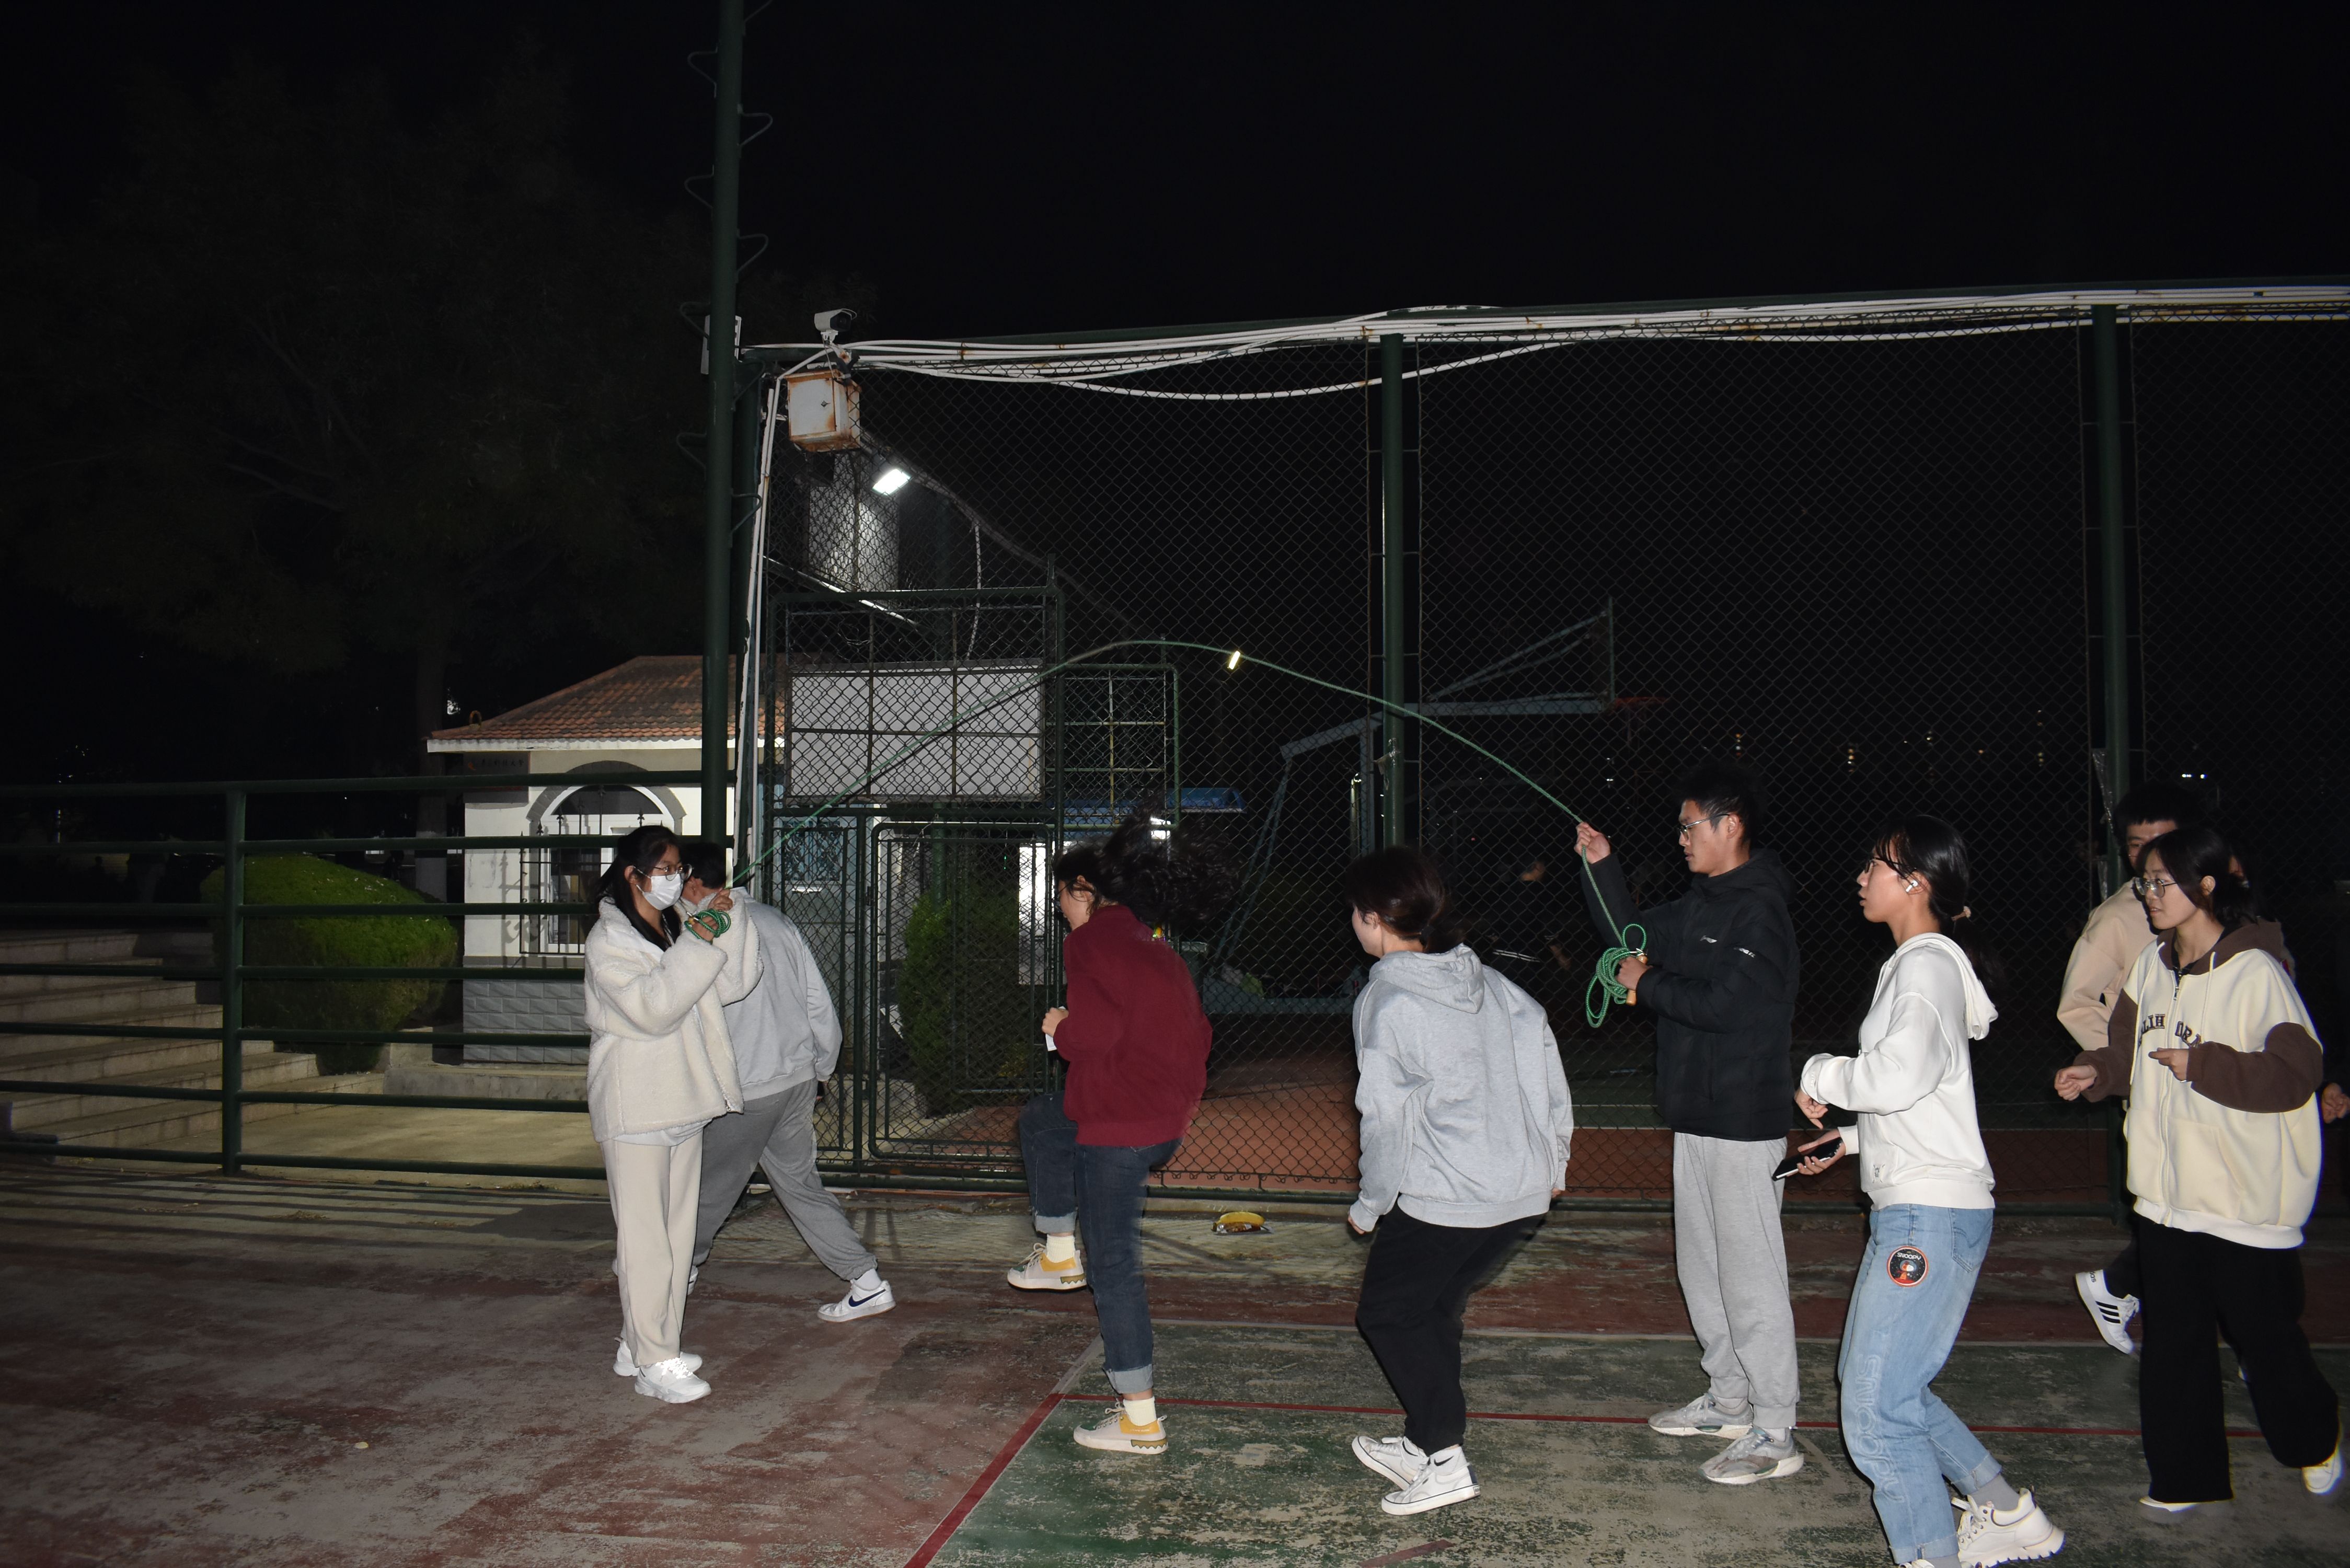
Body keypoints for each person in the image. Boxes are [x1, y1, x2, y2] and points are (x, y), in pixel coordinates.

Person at [1795, 816, 2065, 1568]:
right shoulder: (1924, 966)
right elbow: (1927, 1094)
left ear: (1915, 883)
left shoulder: (1922, 966)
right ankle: (2008, 1514)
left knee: (1875, 1410)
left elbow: (1897, 1076)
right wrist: (1853, 1140)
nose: (1861, 878)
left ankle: (1929, 1555)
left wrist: (1820, 1073)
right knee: (1888, 1388)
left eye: (1875, 867)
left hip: (1926, 1218)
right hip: (1929, 1209)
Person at [2054, 824, 2342, 1514]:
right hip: (2166, 1197)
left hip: (2241, 1199)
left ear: (2206, 885)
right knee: (2174, 1343)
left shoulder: (2255, 974)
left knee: (2265, 1339)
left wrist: (2204, 1065)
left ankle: (2315, 1441)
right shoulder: (2150, 969)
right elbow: (2125, 1052)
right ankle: (2183, 1478)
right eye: (2144, 882)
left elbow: (2296, 1074)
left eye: (2163, 882)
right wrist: (2094, 1073)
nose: (2149, 895)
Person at [1575, 760, 1804, 1485]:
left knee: (1750, 1276)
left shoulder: (1758, 911)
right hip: (1696, 1117)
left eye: (1689, 826)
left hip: (1743, 1120)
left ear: (1729, 825)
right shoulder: (1700, 904)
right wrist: (1602, 866)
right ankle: (1730, 1398)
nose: (1680, 838)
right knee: (1701, 1268)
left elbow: (1726, 1006)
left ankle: (1775, 1427)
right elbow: (1629, 933)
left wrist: (1646, 982)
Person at [1344, 846, 1575, 1518]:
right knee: (1435, 1310)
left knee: (1387, 1314)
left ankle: (1444, 1460)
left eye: (1356, 914)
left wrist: (1370, 1203)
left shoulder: (1386, 998)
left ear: (1373, 919)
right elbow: (1547, 1072)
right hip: (1520, 1194)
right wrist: (1554, 1163)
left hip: (1447, 1198)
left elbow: (1384, 1117)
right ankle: (1424, 1441)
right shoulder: (1492, 981)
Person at [1005, 818, 1234, 1455]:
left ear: (1083, 890)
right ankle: (1056, 1251)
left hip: (1120, 1127)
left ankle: (1139, 1420)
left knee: (1113, 1269)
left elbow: (1094, 1036)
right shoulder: (1152, 945)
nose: (1058, 908)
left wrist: (1060, 1027)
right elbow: (1195, 1035)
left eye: (1061, 895)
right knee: (1043, 1119)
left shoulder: (1090, 944)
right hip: (1161, 1117)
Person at [583, 824, 762, 1404]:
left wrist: (726, 919)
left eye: (679, 870)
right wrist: (696, 943)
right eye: (664, 870)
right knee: (645, 1243)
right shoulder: (609, 940)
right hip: (636, 1104)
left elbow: (732, 983)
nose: (675, 880)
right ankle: (654, 1362)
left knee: (677, 1238)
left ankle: (639, 1344)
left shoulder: (675, 924)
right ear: (632, 875)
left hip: (684, 1099)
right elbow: (653, 1008)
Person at [678, 843, 892, 1323]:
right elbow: (818, 1002)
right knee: (800, 1186)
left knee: (706, 1190)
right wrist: (822, 1070)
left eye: (673, 873)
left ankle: (673, 1276)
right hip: (796, 1078)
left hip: (746, 1087)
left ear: (691, 882)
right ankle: (866, 1282)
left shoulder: (701, 932)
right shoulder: (775, 920)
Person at [2057, 783, 2197, 1351]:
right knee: (2177, 1208)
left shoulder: (2212, 911)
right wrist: (2127, 1066)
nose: (2149, 856)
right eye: (2137, 846)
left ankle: (2120, 1285)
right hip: (2153, 1091)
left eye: (2162, 842)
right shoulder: (2118, 917)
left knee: (2200, 1211)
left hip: (2207, 1085)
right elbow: (2075, 1003)